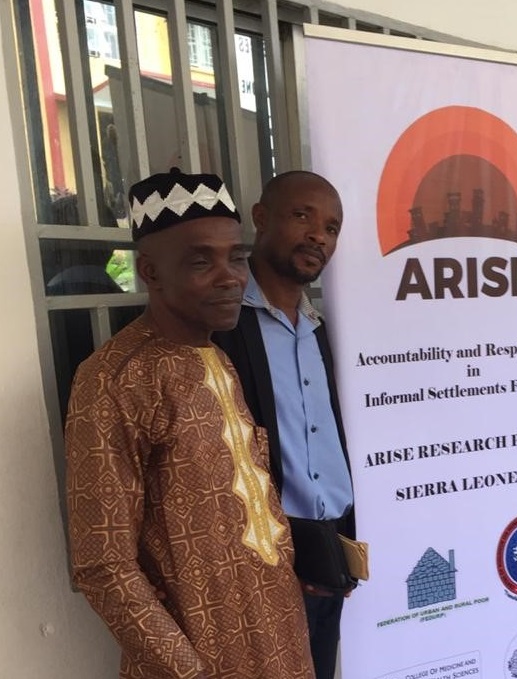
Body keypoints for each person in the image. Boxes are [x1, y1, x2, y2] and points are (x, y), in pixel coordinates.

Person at [65, 168, 315, 679]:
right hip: (198, 661)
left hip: (280, 639)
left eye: (237, 258)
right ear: (151, 272)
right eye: (202, 261)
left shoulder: (217, 359)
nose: (230, 277)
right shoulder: (113, 380)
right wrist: (186, 670)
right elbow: (102, 565)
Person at [213, 171, 354, 679]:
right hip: (264, 566)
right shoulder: (222, 323)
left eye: (332, 228)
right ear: (260, 218)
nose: (319, 235)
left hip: (328, 558)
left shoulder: (320, 331)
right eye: (303, 217)